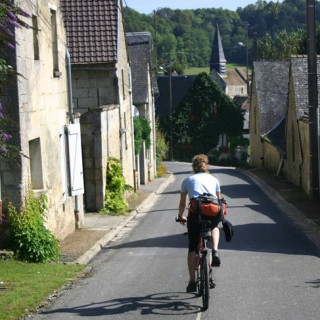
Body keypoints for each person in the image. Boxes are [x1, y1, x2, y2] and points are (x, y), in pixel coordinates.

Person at [178, 154, 222, 293]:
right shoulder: (214, 179)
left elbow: (183, 203)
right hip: (213, 211)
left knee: (192, 248)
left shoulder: (187, 180)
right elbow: (219, 200)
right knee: (215, 226)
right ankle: (215, 250)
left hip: (195, 214)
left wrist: (180, 216)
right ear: (206, 166)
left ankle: (192, 282)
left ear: (193, 167)